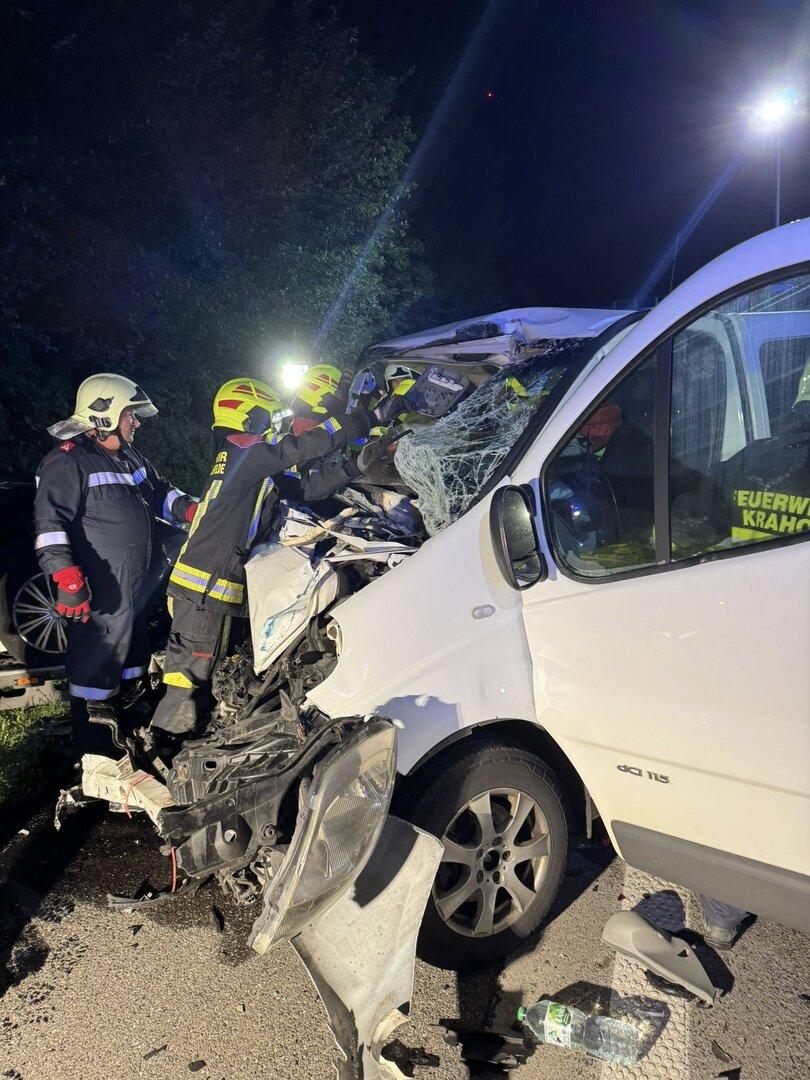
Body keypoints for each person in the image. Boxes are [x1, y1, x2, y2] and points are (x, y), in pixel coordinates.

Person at [150, 375, 407, 738]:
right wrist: (374, 416)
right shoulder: (245, 451)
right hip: (203, 591)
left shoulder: (247, 462)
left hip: (215, 590)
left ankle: (195, 748)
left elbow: (305, 487)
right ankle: (164, 752)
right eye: (271, 420)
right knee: (186, 683)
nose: (278, 428)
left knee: (213, 683)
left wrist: (354, 468)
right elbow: (303, 447)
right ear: (249, 419)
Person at [34, 374, 196, 756]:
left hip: (134, 585)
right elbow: (48, 524)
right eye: (130, 415)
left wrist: (190, 509)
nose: (136, 422)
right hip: (98, 588)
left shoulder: (128, 455)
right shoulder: (67, 461)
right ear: (103, 415)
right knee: (97, 661)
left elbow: (160, 492)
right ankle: (95, 749)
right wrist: (66, 577)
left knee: (133, 655)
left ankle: (133, 729)